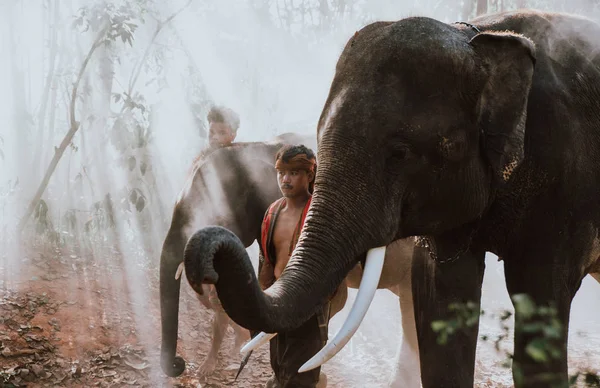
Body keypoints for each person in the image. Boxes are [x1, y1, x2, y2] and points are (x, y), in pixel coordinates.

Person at [258, 144, 329, 388]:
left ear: (309, 175)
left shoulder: (321, 212)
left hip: (307, 303)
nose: (285, 179)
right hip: (277, 300)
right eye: (281, 173)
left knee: (300, 377)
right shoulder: (272, 212)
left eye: (294, 173)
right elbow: (267, 260)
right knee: (279, 368)